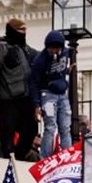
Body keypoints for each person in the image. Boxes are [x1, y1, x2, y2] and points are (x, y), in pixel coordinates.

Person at [0, 17, 38, 160]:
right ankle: (9, 162)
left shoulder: (26, 50)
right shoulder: (0, 48)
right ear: (13, 31)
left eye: (25, 30)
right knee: (7, 136)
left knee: (31, 131)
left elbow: (42, 57)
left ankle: (19, 158)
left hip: (25, 99)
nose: (24, 33)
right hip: (7, 100)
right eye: (21, 30)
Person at [30, 30, 71, 159]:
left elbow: (62, 69)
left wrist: (68, 71)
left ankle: (67, 156)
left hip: (62, 94)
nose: (54, 53)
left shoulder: (66, 52)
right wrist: (36, 105)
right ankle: (45, 158)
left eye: (56, 50)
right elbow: (34, 83)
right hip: (47, 95)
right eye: (51, 50)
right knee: (50, 127)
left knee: (65, 127)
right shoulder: (40, 61)